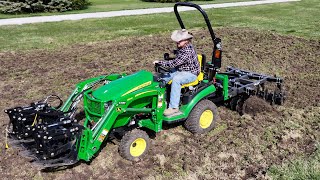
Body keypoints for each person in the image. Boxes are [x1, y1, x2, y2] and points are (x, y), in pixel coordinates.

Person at [153, 29, 200, 116]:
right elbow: (177, 59)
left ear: (186, 40)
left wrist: (160, 62)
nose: (177, 42)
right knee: (164, 77)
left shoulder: (187, 51)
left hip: (191, 73)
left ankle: (174, 107)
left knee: (176, 80)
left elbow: (174, 63)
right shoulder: (182, 47)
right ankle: (159, 98)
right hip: (181, 69)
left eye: (179, 41)